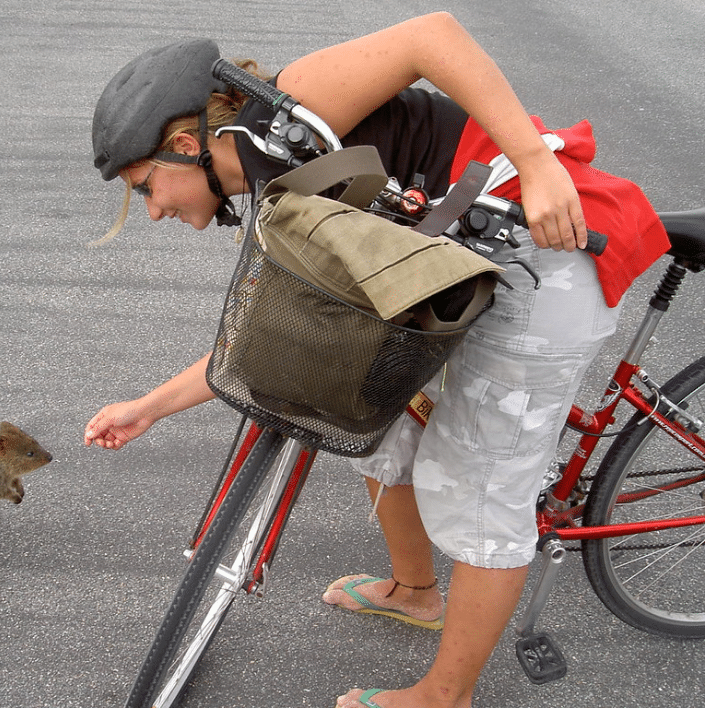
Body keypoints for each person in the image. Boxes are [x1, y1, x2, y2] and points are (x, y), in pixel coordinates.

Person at [84, 12, 669, 708]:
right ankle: (414, 592)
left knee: (480, 489)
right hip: (449, 271)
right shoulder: (279, 191)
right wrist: (148, 408)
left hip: (535, 247)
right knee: (372, 412)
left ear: (185, 145)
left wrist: (539, 165)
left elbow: (435, 36)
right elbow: (267, 335)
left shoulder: (291, 110)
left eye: (144, 187)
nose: (150, 211)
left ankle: (444, 696)